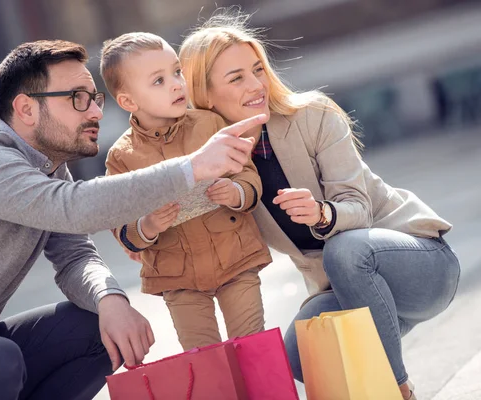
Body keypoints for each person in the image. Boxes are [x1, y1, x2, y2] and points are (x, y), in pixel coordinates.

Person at [0, 39, 266, 400]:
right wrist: (193, 167)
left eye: (95, 98)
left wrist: (109, 298)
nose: (97, 111)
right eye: (78, 99)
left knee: (96, 330)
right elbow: (75, 208)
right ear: (27, 109)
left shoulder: (47, 168)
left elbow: (75, 254)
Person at [179, 11, 461, 400]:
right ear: (205, 95)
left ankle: (399, 390)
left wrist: (321, 213)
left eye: (257, 69)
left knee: (346, 249)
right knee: (298, 354)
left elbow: (357, 208)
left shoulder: (314, 115)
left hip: (420, 263)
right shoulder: (217, 167)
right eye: (236, 77)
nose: (256, 84)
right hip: (352, 290)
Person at [100, 32, 272, 351]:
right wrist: (147, 226)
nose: (177, 84)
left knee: (253, 345)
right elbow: (121, 227)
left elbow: (247, 173)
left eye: (176, 72)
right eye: (159, 81)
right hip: (177, 279)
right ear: (128, 101)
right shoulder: (122, 158)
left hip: (235, 258)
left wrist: (237, 192)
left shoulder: (210, 125)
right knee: (204, 357)